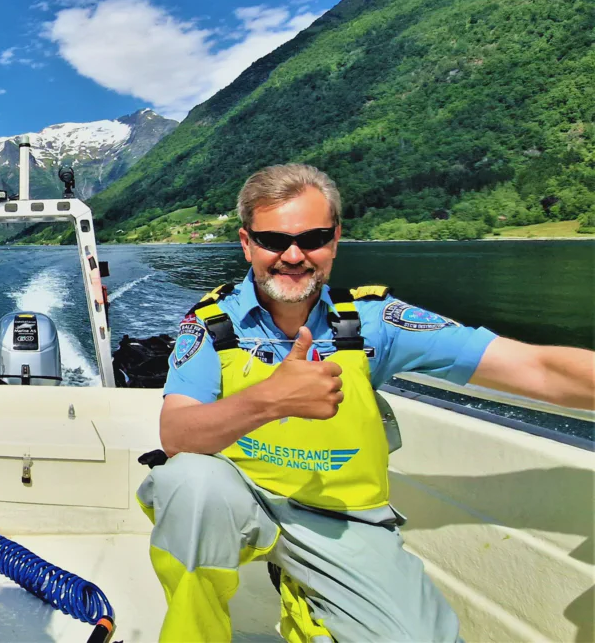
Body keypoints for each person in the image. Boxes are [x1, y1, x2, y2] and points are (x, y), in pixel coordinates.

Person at [136, 163, 595, 642]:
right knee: (189, 481)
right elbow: (178, 434)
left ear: (335, 239)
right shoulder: (210, 325)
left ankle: (310, 595)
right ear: (247, 243)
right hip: (235, 500)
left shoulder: (377, 322)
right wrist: (269, 399)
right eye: (273, 240)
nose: (293, 255)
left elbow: (534, 367)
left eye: (312, 237)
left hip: (341, 517)